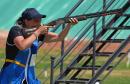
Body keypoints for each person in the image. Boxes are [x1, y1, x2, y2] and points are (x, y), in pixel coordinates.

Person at [0, 8, 78, 84]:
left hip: (29, 75)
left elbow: (59, 37)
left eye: (40, 20)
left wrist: (69, 25)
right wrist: (38, 31)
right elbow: (22, 46)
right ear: (26, 21)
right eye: (35, 20)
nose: (39, 22)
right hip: (12, 74)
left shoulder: (36, 33)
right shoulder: (16, 30)